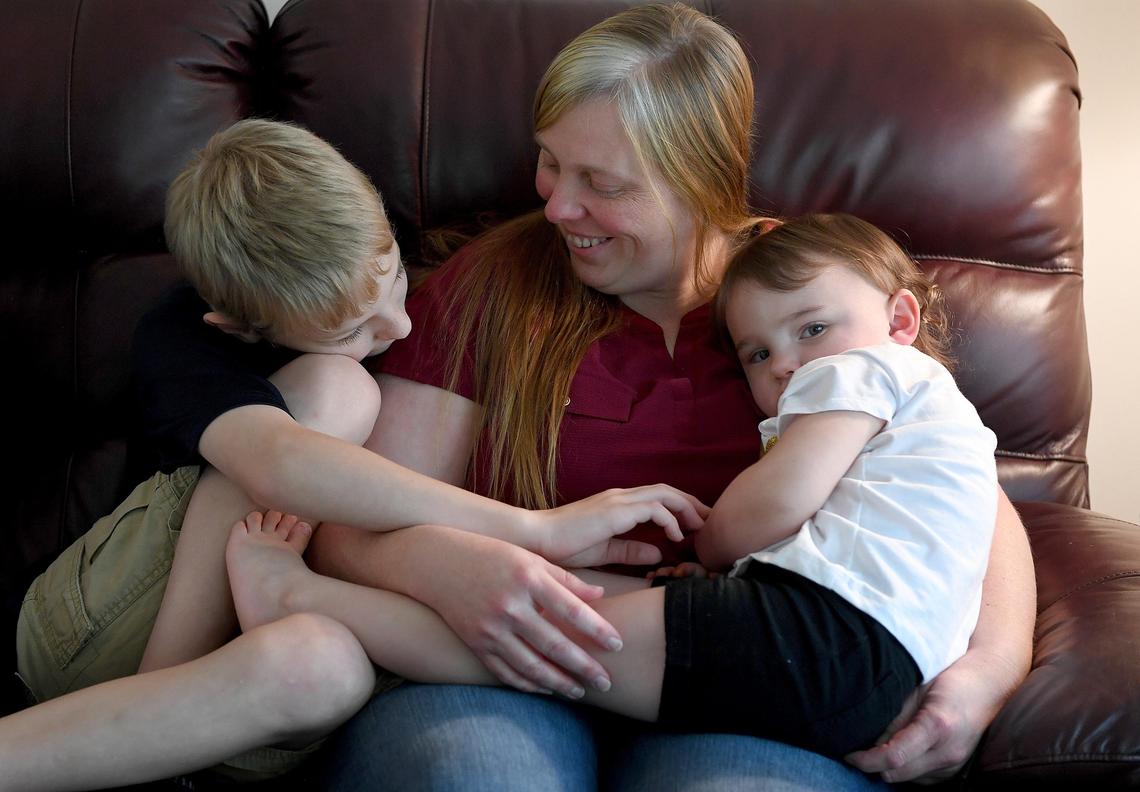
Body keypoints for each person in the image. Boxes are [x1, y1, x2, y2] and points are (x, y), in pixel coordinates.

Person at [304, 4, 1035, 790]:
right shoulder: (492, 287)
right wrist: (451, 567)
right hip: (495, 665)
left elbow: (956, 482)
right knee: (473, 776)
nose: (555, 206)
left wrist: (986, 675)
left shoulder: (808, 296)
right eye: (550, 162)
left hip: (750, 679)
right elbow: (351, 525)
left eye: (602, 183)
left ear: (702, 181)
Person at [3, 119, 701, 791]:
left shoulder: (418, 276)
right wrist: (532, 529)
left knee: (328, 666)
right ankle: (152, 707)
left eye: (395, 279)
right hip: (110, 629)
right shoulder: (186, 336)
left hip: (249, 680)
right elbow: (276, 464)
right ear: (240, 328)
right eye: (352, 329)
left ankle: (153, 762)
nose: (398, 325)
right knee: (336, 392)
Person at [218, 211, 999, 762]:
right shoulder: (855, 336)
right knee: (546, 628)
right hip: (840, 656)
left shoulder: (834, 327)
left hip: (812, 640)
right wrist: (455, 565)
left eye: (603, 179)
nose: (785, 363)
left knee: (543, 642)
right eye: (754, 354)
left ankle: (301, 602)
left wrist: (719, 540)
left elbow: (786, 507)